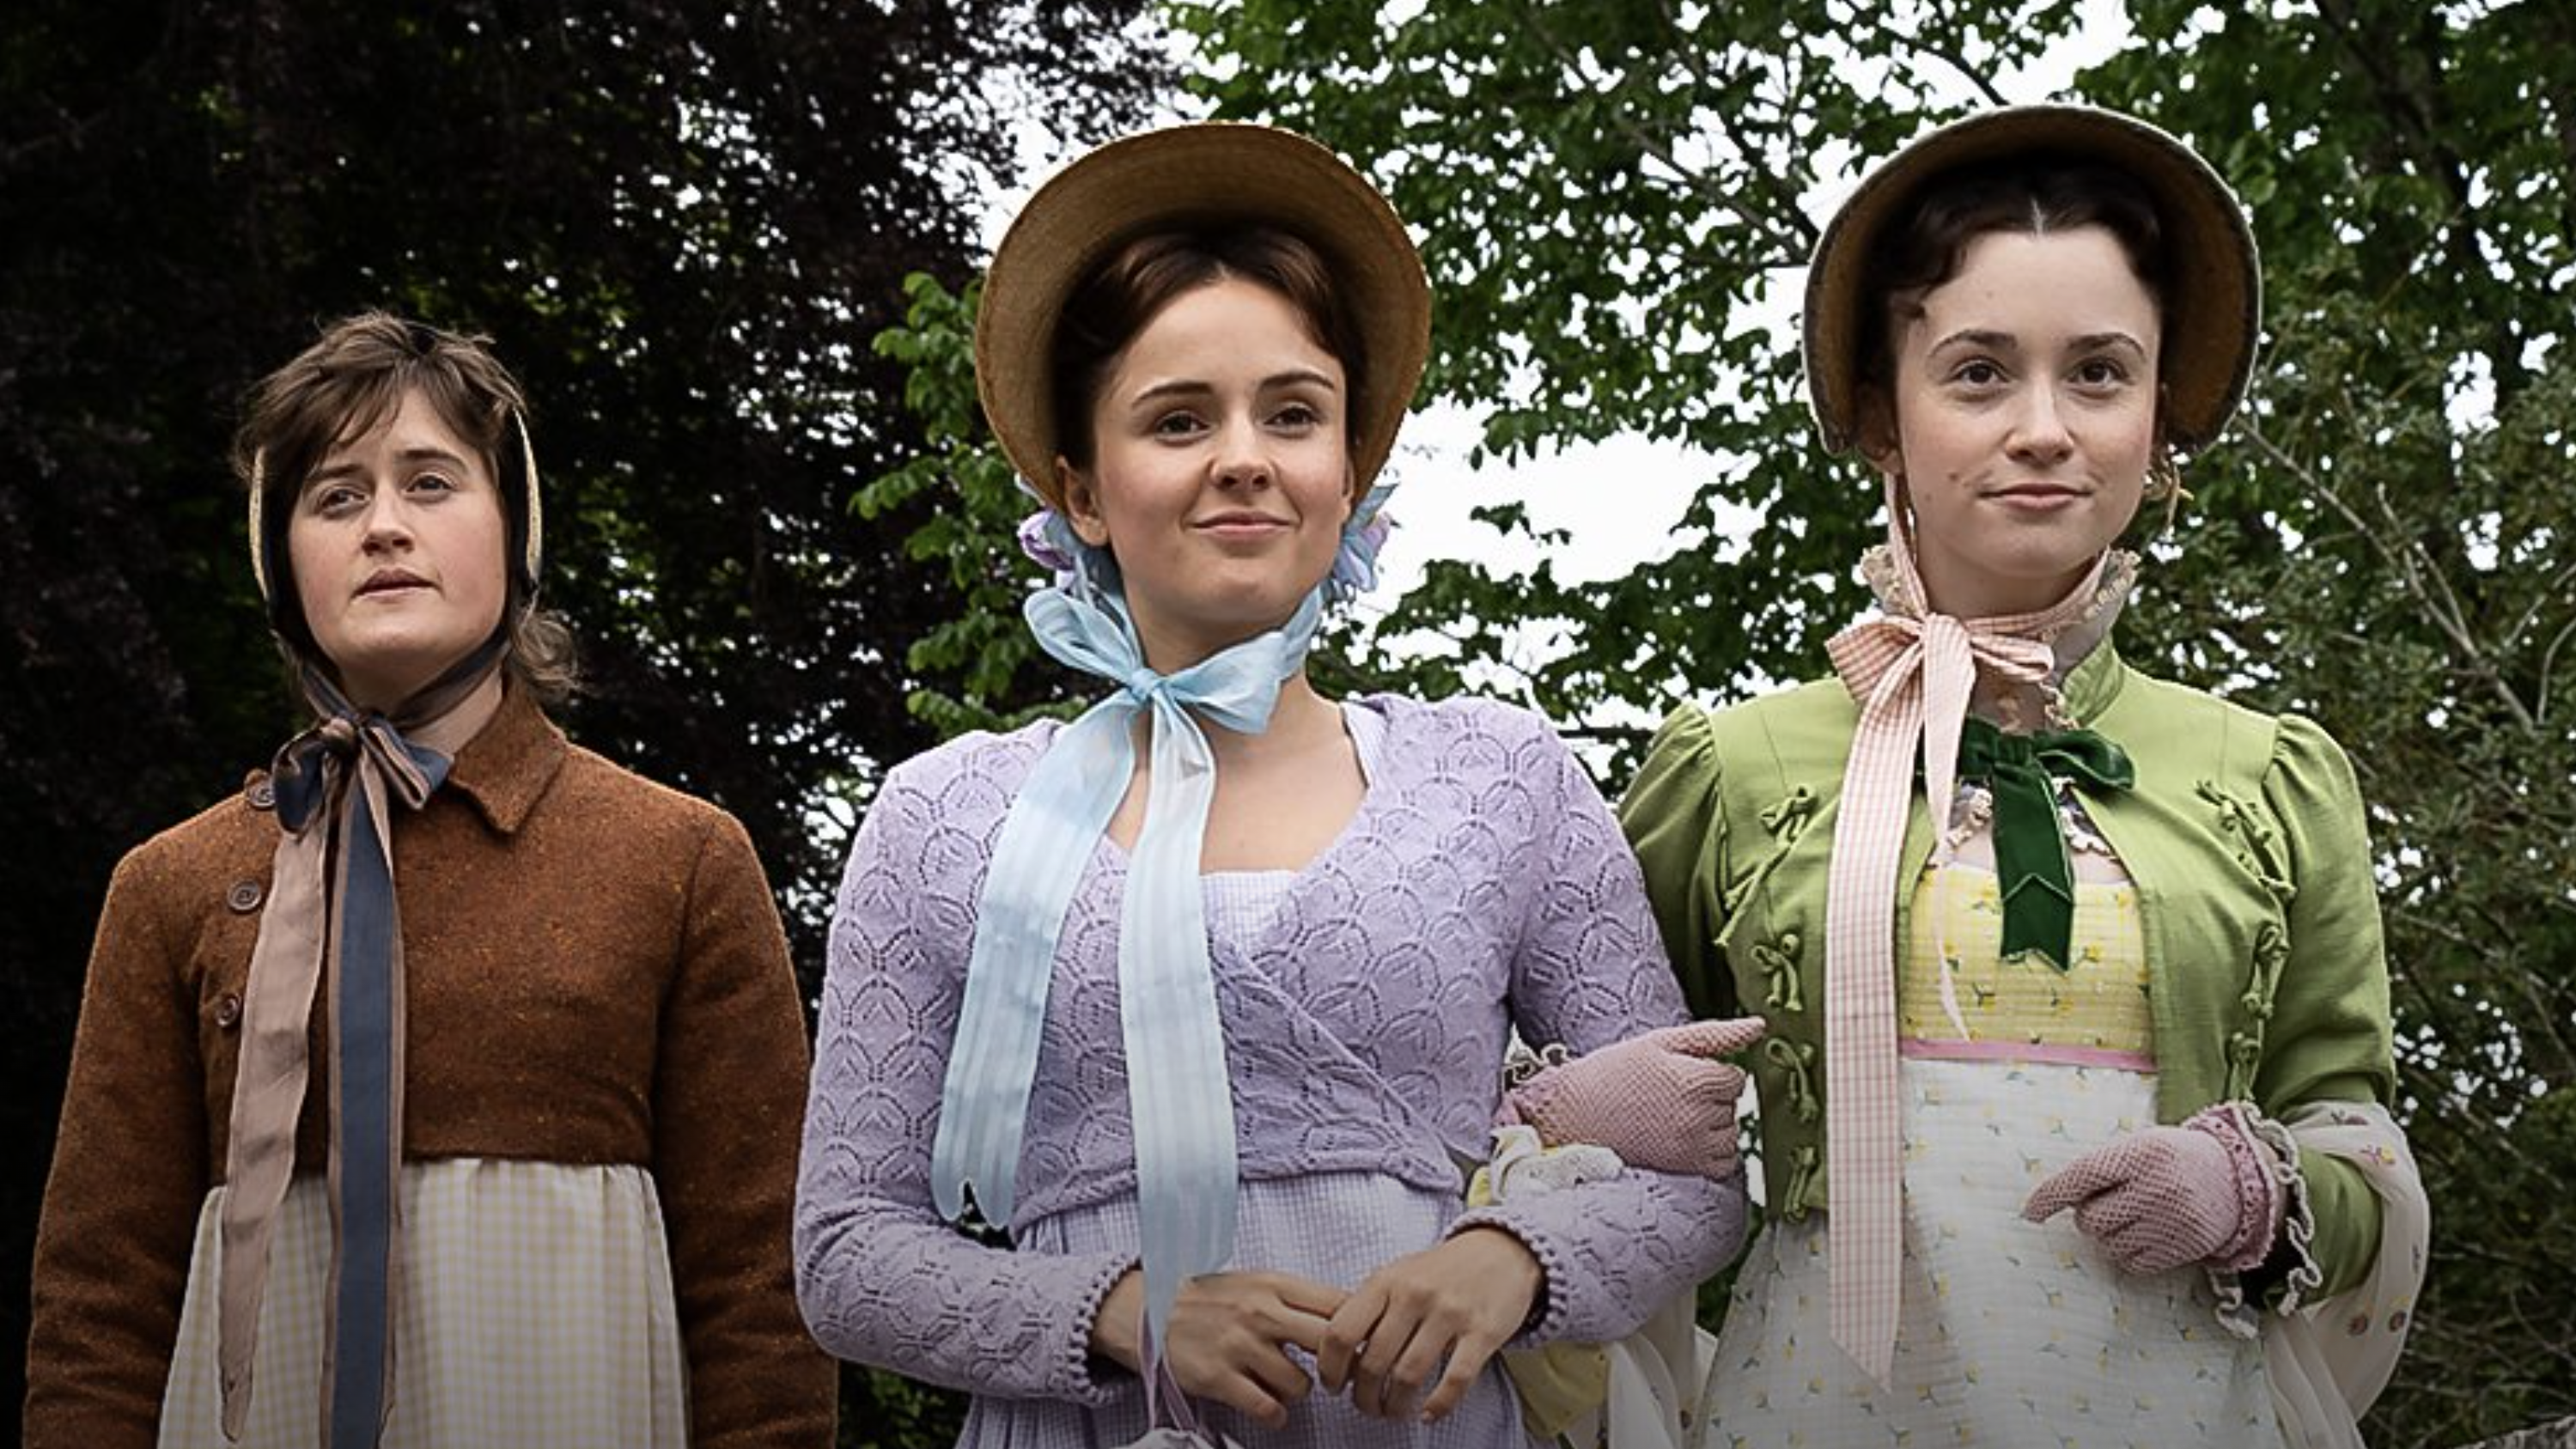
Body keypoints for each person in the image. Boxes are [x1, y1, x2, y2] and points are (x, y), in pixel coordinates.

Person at [793, 121, 1748, 1447]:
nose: (1242, 454)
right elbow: (845, 1250)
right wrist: (1121, 1310)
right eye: (1179, 418)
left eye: (1291, 413)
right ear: (1078, 487)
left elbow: (1693, 1166)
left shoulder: (1501, 777)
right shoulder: (943, 817)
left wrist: (1515, 1257)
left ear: (1346, 471)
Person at [1513, 105, 2427, 1447]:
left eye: (2100, 374)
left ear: (2162, 415)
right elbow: (1583, 1106)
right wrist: (1558, 1112)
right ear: (1884, 415)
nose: (2044, 428)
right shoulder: (1727, 767)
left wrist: (2253, 1188)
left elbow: (2358, 1147)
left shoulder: (2274, 775)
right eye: (1980, 372)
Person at [23, 314, 837, 1448]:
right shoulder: (173, 885)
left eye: (432, 482)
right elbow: (99, 1302)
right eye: (336, 496)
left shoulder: (677, 857)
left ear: (517, 532)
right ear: (279, 561)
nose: (387, 526)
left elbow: (762, 1284)